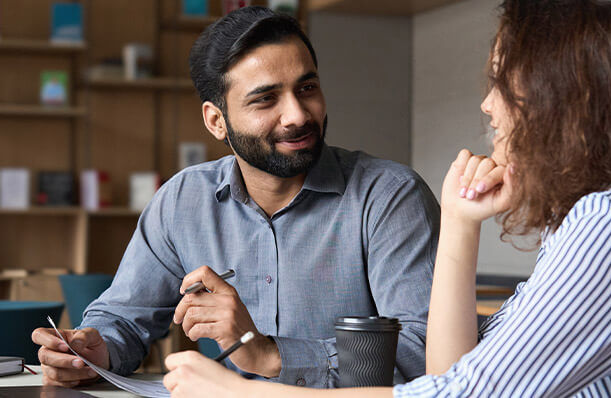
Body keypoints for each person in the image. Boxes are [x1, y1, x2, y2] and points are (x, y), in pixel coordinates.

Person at [161, 0, 611, 396]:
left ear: (564, 98)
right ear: (217, 121)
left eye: (503, 81)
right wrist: (461, 224)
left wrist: (241, 391)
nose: (489, 106)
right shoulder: (603, 222)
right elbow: (451, 374)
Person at [31, 7, 439, 389]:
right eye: (266, 99)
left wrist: (271, 355)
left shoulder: (389, 196)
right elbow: (124, 316)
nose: (297, 114)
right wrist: (93, 349)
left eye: (307, 87)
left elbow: (429, 353)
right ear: (216, 121)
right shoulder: (183, 200)